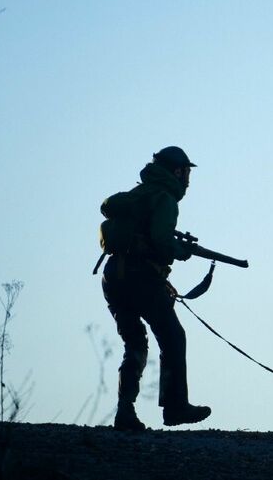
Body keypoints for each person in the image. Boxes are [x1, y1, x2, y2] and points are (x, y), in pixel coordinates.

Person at [99, 145, 211, 432]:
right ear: (177, 171)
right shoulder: (164, 199)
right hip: (140, 278)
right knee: (173, 336)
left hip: (114, 276)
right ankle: (175, 407)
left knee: (134, 343)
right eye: (187, 172)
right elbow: (161, 240)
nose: (188, 179)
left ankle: (125, 411)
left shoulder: (139, 193)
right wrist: (181, 251)